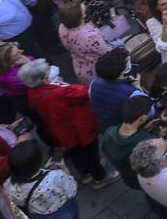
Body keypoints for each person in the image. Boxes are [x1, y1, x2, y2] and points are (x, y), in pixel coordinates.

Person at [18, 58, 118, 186]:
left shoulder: (32, 93)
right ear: (43, 79)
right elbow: (83, 92)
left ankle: (85, 174)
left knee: (77, 156)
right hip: (79, 130)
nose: (50, 71)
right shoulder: (58, 92)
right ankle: (100, 177)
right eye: (48, 71)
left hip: (62, 134)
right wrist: (62, 84)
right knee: (90, 153)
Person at [5, 140, 108, 219]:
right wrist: (63, 168)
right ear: (37, 161)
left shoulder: (9, 185)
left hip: (38, 216)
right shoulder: (54, 177)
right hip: (63, 211)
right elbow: (72, 188)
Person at [100, 97, 167, 219]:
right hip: (148, 178)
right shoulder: (146, 141)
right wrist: (160, 137)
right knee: (161, 205)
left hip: (130, 178)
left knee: (150, 196)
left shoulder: (109, 133)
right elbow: (163, 156)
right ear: (142, 118)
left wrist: (143, 131)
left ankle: (152, 203)